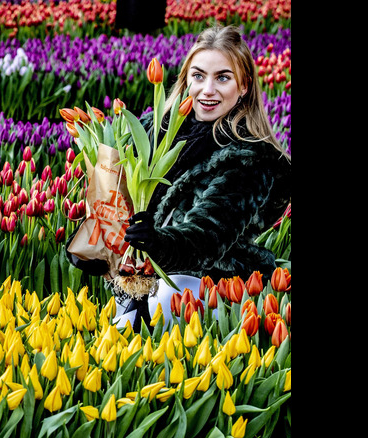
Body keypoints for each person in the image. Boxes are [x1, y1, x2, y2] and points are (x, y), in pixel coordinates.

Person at [71, 25, 291, 328]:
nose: (207, 90)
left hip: (212, 283)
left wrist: (156, 242)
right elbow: (117, 202)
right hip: (140, 277)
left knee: (155, 304)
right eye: (198, 76)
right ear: (186, 77)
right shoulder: (149, 131)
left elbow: (207, 238)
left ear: (244, 86)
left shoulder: (250, 157)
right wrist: (98, 238)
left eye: (223, 78)